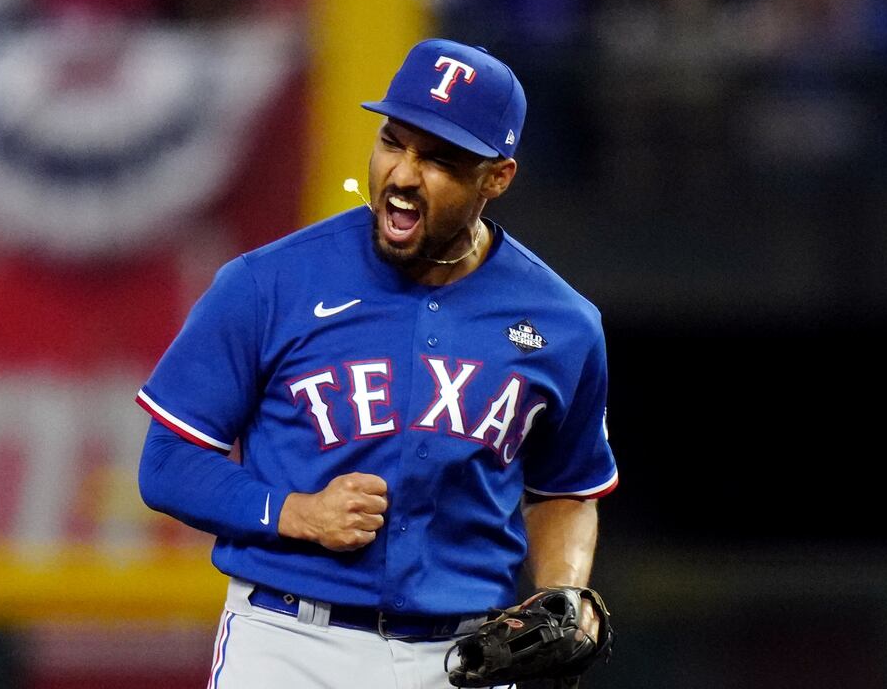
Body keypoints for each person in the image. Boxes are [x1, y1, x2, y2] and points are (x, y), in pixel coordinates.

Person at [135, 37, 618, 689]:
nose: (403, 175)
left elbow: (566, 488)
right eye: (394, 141)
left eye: (440, 159)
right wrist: (293, 511)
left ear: (497, 177)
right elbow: (167, 466)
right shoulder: (269, 283)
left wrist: (562, 593)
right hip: (288, 641)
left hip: (463, 656)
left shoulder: (562, 325)